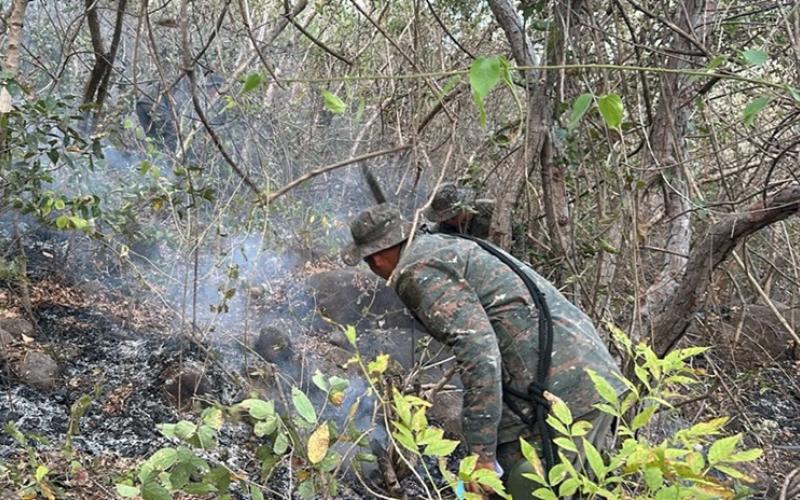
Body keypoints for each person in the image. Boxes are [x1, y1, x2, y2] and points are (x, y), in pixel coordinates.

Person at [342, 203, 625, 499]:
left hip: (567, 392)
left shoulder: (418, 269)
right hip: (580, 378)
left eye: (368, 260)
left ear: (376, 257)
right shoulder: (445, 247)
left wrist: (481, 453)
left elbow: (479, 352)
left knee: (528, 486)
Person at [424, 182, 495, 239]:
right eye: (445, 220)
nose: (449, 222)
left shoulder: (489, 210)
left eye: (452, 218)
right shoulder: (443, 228)